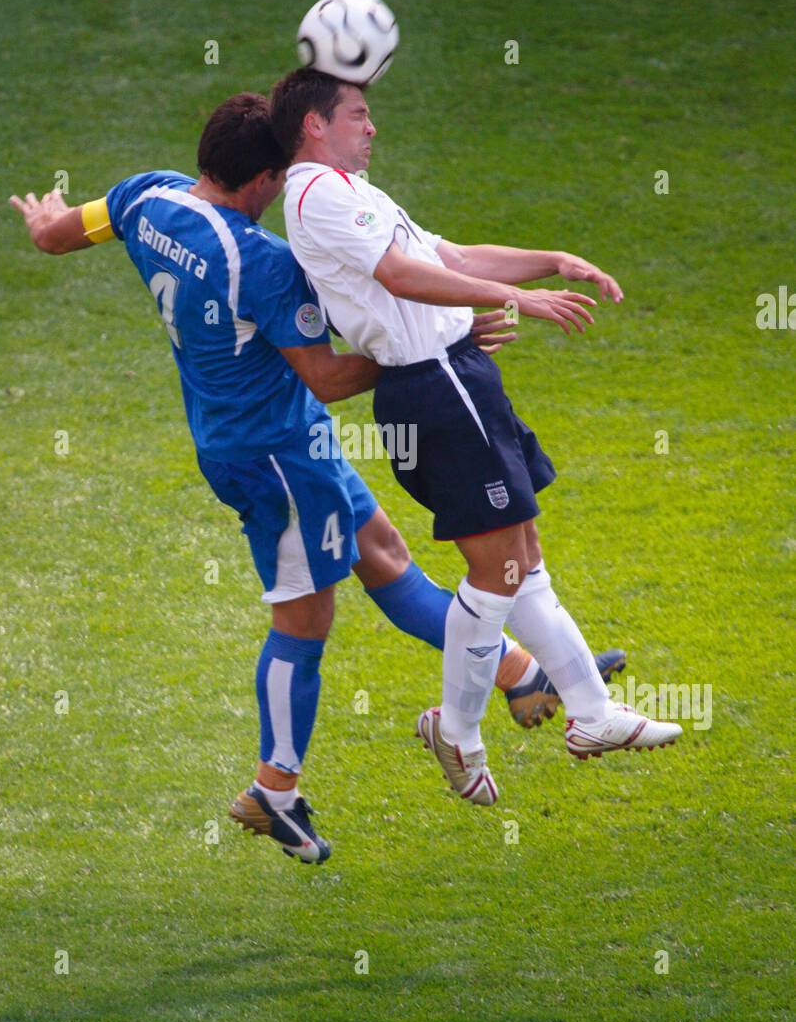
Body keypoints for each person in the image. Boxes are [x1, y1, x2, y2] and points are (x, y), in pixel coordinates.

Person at [10, 94, 625, 863]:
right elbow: (330, 377)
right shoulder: (265, 265)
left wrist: (43, 220)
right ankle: (275, 791)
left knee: (386, 556)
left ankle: (525, 673)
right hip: (273, 456)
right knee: (303, 620)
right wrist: (434, 343)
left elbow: (61, 234)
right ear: (267, 179)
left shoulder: (148, 194)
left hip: (262, 436)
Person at [270, 69, 681, 806]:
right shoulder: (315, 193)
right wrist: (516, 297)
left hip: (458, 374)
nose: (371, 127)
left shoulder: (356, 194)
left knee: (522, 560)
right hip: (434, 388)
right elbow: (400, 275)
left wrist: (551, 260)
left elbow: (448, 258)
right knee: (497, 571)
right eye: (359, 114)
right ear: (313, 124)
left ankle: (593, 714)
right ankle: (458, 729)